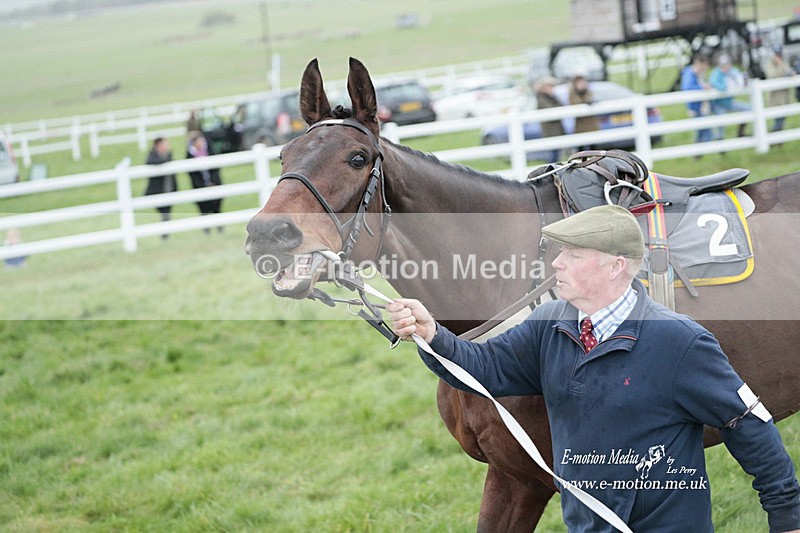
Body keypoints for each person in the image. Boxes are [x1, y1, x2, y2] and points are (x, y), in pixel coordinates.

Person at [388, 205, 800, 532]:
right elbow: (485, 368)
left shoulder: (680, 342)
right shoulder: (549, 324)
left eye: (573, 255)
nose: (557, 264)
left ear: (615, 266)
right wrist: (432, 334)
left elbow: (747, 422)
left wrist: (786, 516)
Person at [186, 130, 223, 233]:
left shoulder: (210, 149)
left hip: (214, 182)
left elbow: (216, 167)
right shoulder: (190, 154)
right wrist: (203, 185)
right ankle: (207, 230)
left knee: (217, 207)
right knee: (204, 209)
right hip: (200, 185)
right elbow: (192, 174)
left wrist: (212, 182)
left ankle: (220, 228)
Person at [708, 54, 749, 139]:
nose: (725, 67)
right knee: (721, 120)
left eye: (727, 65)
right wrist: (726, 87)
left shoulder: (733, 71)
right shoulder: (716, 73)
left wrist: (742, 81)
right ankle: (720, 140)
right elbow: (714, 83)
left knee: (748, 108)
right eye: (723, 65)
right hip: (718, 103)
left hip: (729, 102)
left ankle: (741, 131)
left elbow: (740, 79)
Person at [143, 137, 177, 239]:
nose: (166, 147)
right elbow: (151, 162)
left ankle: (165, 235)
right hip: (157, 191)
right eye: (164, 144)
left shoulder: (168, 155)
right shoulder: (152, 156)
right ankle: (164, 235)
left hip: (168, 189)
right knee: (165, 213)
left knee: (166, 214)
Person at [680, 54, 713, 145]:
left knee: (703, 126)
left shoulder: (698, 74)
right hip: (694, 105)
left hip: (700, 104)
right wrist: (703, 88)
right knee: (702, 127)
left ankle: (701, 147)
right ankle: (702, 146)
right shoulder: (690, 73)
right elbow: (688, 88)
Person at [763, 46, 795, 133]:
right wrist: (781, 66)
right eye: (777, 54)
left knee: (782, 117)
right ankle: (774, 136)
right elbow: (772, 75)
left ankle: (776, 137)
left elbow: (789, 71)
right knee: (778, 117)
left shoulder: (783, 62)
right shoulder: (769, 64)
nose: (778, 56)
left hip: (784, 96)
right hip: (775, 97)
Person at [534, 76, 565, 163]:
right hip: (550, 131)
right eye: (550, 87)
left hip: (556, 130)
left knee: (557, 153)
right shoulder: (542, 99)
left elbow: (561, 106)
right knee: (553, 154)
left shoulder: (551, 97)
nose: (552, 89)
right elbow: (552, 111)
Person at [568, 73, 599, 151]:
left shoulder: (588, 91)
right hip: (580, 126)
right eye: (579, 83)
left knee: (593, 148)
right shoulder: (573, 93)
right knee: (581, 149)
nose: (582, 84)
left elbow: (592, 99)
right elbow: (575, 103)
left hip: (591, 125)